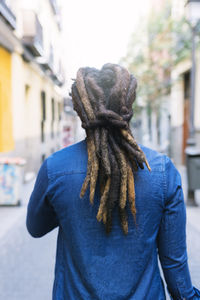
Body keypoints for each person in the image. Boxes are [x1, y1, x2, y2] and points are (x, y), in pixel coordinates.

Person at [26, 63, 200, 300]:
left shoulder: (55, 168)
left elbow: (35, 228)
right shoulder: (162, 171)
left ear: (80, 109)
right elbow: (175, 268)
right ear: (128, 105)